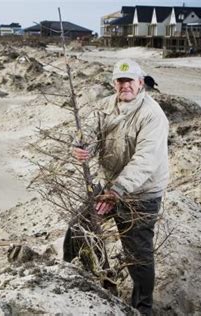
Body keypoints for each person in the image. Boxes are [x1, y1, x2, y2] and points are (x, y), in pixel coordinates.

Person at [72, 59, 169, 316]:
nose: (124, 85)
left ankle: (143, 308)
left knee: (137, 254)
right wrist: (82, 147)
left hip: (140, 193)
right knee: (79, 229)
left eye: (130, 80)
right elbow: (90, 132)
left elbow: (145, 160)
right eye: (120, 80)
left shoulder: (152, 115)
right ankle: (102, 282)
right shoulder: (105, 106)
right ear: (114, 83)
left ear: (140, 83)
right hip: (109, 186)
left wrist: (117, 191)